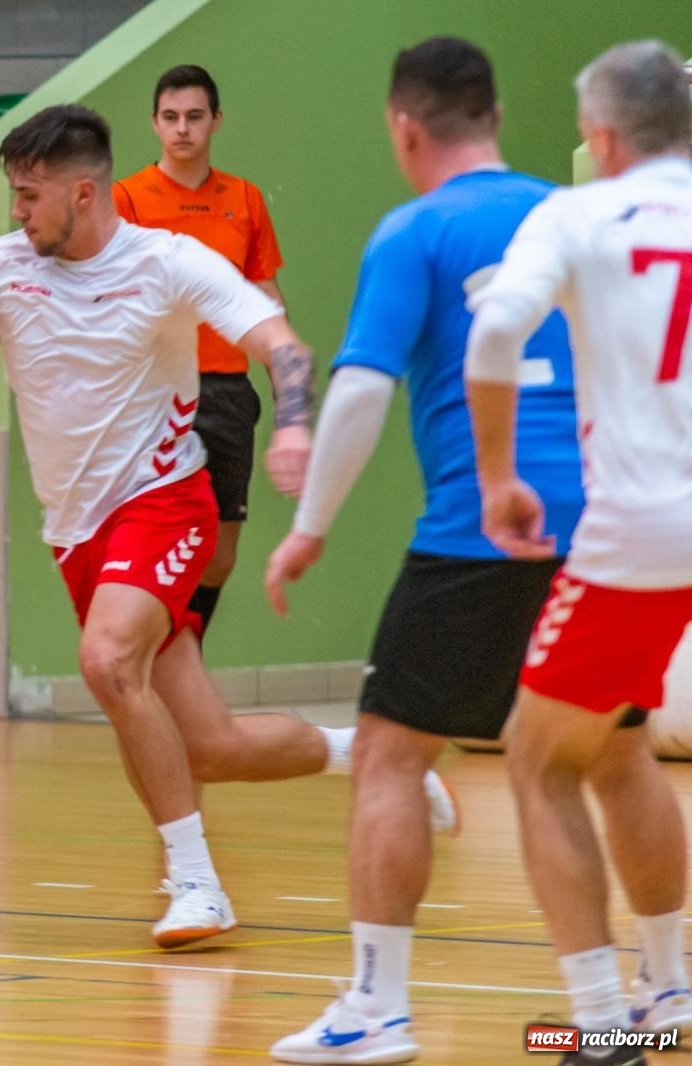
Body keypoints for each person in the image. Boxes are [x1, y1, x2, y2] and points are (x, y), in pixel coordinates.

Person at [0, 104, 454, 949]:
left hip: (165, 498)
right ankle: (378, 755)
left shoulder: (166, 264)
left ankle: (196, 882)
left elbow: (287, 350)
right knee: (210, 745)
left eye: (28, 195)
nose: (17, 211)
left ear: (81, 194)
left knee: (105, 660)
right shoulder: (0, 271)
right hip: (77, 532)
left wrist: (299, 422)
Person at [263, 37, 591, 1064]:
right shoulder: (570, 217)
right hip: (603, 528)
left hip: (480, 529)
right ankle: (637, 998)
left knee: (392, 754)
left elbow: (359, 390)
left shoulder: (415, 229)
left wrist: (309, 526)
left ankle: (375, 1008)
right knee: (610, 761)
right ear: (492, 114)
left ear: (405, 128)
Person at [465, 40, 692, 1066]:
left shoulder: (573, 211)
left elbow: (494, 333)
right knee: (613, 740)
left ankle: (601, 1026)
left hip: (643, 530)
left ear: (600, 137)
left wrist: (498, 475)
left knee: (535, 754)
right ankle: (668, 989)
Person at [114, 64, 286, 634]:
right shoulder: (126, 199)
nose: (182, 129)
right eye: (170, 117)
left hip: (229, 393)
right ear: (154, 123)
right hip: (157, 395)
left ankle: (187, 653)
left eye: (194, 116)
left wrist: (291, 403)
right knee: (159, 539)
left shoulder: (244, 198)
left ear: (216, 120)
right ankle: (158, 665)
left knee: (217, 554)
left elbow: (266, 299)